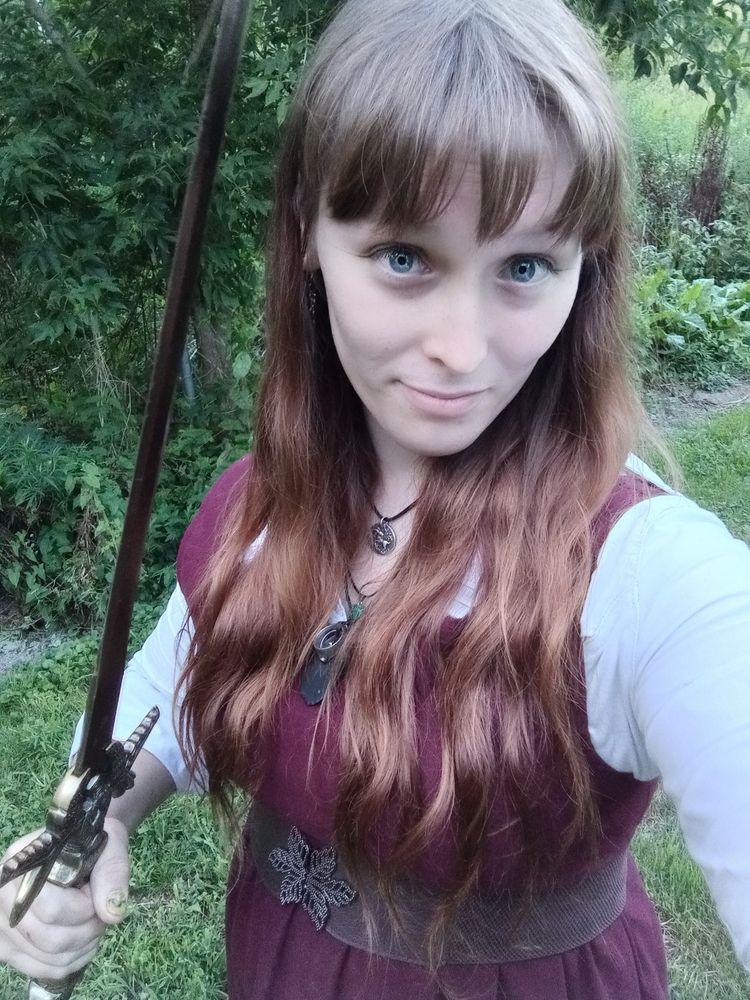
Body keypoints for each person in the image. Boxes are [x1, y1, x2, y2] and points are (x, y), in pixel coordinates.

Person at [2, 0, 749, 997]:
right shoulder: (262, 505)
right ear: (310, 231)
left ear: (587, 270)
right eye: (405, 258)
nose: (460, 346)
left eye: (524, 266)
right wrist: (100, 824)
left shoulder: (651, 575)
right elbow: (167, 695)